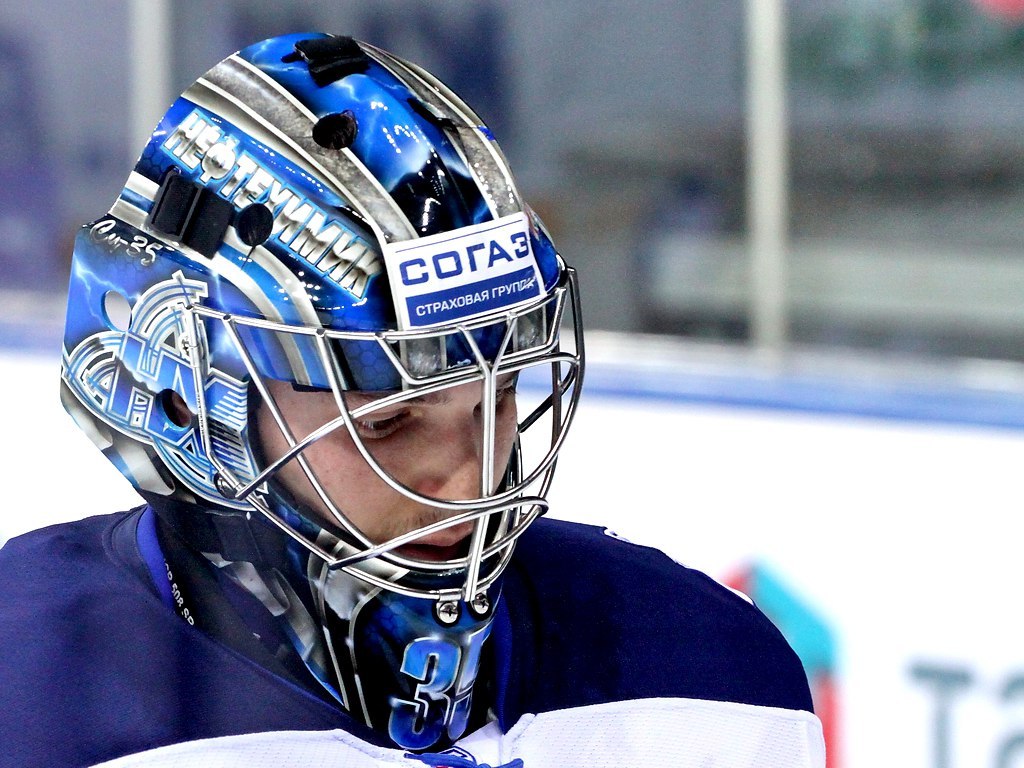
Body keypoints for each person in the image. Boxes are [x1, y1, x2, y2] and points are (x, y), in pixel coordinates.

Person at [0, 33, 825, 767]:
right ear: (193, 400)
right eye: (389, 423)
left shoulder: (711, 678)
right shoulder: (31, 701)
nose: (471, 483)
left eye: (498, 398)